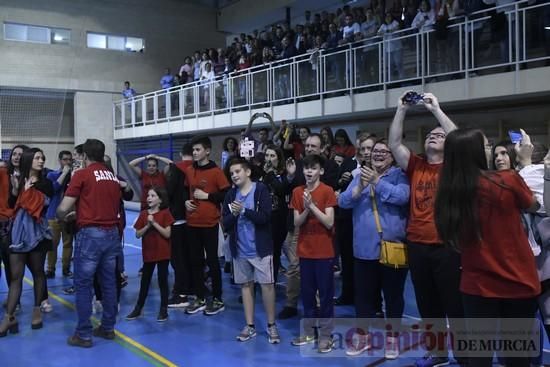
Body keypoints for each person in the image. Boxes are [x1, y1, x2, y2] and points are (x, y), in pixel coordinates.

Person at [434, 128, 540, 367]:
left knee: (479, 358)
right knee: (517, 356)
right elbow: (535, 205)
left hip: (476, 286)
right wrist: (525, 162)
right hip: (517, 281)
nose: (490, 149)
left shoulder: (449, 191)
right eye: (486, 145)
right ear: (474, 153)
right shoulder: (507, 180)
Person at [388, 91, 465, 367]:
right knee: (428, 305)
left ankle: (465, 355)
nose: (434, 136)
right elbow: (394, 143)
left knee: (454, 306)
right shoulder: (416, 165)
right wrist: (401, 109)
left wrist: (436, 110)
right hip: (417, 245)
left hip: (446, 245)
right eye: (430, 135)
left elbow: (459, 140)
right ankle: (438, 352)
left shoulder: (454, 167)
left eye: (439, 135)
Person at [339, 139, 410, 358]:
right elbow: (342, 202)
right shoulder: (359, 176)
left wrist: (377, 181)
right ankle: (363, 337)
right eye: (375, 151)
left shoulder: (401, 175)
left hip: (393, 248)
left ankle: (392, 340)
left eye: (383, 151)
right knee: (363, 298)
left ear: (392, 155)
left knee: (393, 298)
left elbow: (402, 197)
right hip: (364, 250)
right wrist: (359, 187)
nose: (378, 154)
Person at [57, 139, 122, 348]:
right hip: (112, 234)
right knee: (109, 283)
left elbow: (63, 207)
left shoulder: (82, 174)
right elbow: (103, 204)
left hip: (90, 236)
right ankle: (108, 327)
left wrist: (62, 216)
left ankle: (83, 334)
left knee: (83, 285)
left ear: (84, 156)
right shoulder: (112, 177)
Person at [222, 158, 280, 344]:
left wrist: (245, 211)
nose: (235, 175)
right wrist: (235, 214)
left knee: (267, 286)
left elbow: (265, 217)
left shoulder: (261, 189)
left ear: (247, 172)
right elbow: (226, 222)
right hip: (240, 250)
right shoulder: (231, 195)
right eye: (232, 173)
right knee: (246, 286)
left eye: (238, 171)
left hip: (261, 249)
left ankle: (271, 325)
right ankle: (250, 325)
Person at [0, 148, 53, 337]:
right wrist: (16, 190)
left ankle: (37, 309)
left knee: (38, 272)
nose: (41, 160)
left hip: (37, 233)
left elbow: (39, 206)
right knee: (16, 276)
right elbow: (11, 204)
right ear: (29, 160)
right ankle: (9, 317)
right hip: (18, 233)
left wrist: (24, 193)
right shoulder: (19, 181)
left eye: (42, 157)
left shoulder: (46, 183)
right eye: (37, 157)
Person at [290, 154, 337, 353]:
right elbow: (296, 223)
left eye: (313, 168)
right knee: (307, 295)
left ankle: (326, 335)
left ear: (321, 171)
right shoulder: (297, 192)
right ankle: (309, 332)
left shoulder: (327, 191)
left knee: (325, 296)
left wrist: (311, 207)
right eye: (306, 168)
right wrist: (306, 209)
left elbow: (329, 222)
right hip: (305, 251)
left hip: (324, 252)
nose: (309, 171)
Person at [184, 136, 230, 315]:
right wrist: (186, 202)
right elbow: (185, 191)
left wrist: (208, 197)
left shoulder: (216, 172)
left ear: (207, 151)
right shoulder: (189, 170)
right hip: (192, 223)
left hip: (209, 223)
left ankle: (217, 298)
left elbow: (226, 194)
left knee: (212, 261)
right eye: (193, 150)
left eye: (198, 150)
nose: (195, 153)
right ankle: (200, 297)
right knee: (195, 262)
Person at [126, 187, 174, 322]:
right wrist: (147, 225)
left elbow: (167, 234)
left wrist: (155, 223)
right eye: (148, 195)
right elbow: (137, 234)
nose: (149, 198)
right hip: (149, 252)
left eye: (153, 196)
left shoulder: (165, 214)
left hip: (163, 252)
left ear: (160, 200)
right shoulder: (143, 214)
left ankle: (163, 309)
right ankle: (138, 308)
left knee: (162, 280)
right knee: (145, 281)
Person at [45, 150, 74, 279]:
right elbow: (54, 189)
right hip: (53, 215)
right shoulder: (52, 175)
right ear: (60, 160)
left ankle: (66, 269)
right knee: (52, 244)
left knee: (68, 244)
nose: (67, 162)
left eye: (69, 159)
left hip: (69, 216)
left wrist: (72, 174)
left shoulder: (75, 176)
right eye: (65, 159)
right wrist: (64, 173)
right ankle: (50, 269)